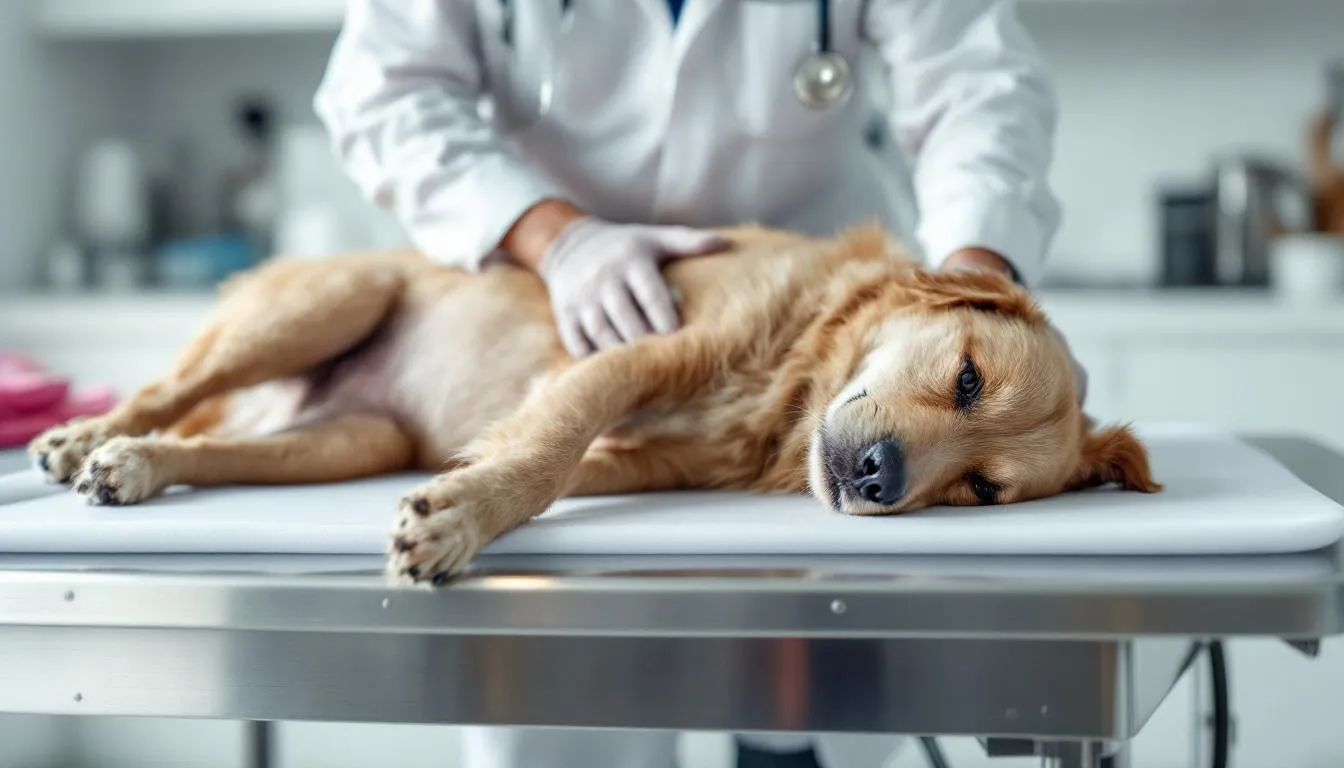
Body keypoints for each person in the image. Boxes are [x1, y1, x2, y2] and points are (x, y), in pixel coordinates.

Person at [315, 2, 1083, 766]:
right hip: (566, 308)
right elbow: (382, 85)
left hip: (817, 352)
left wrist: (973, 292)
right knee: (571, 716)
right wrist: (554, 234)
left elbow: (977, 80)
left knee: (805, 707)